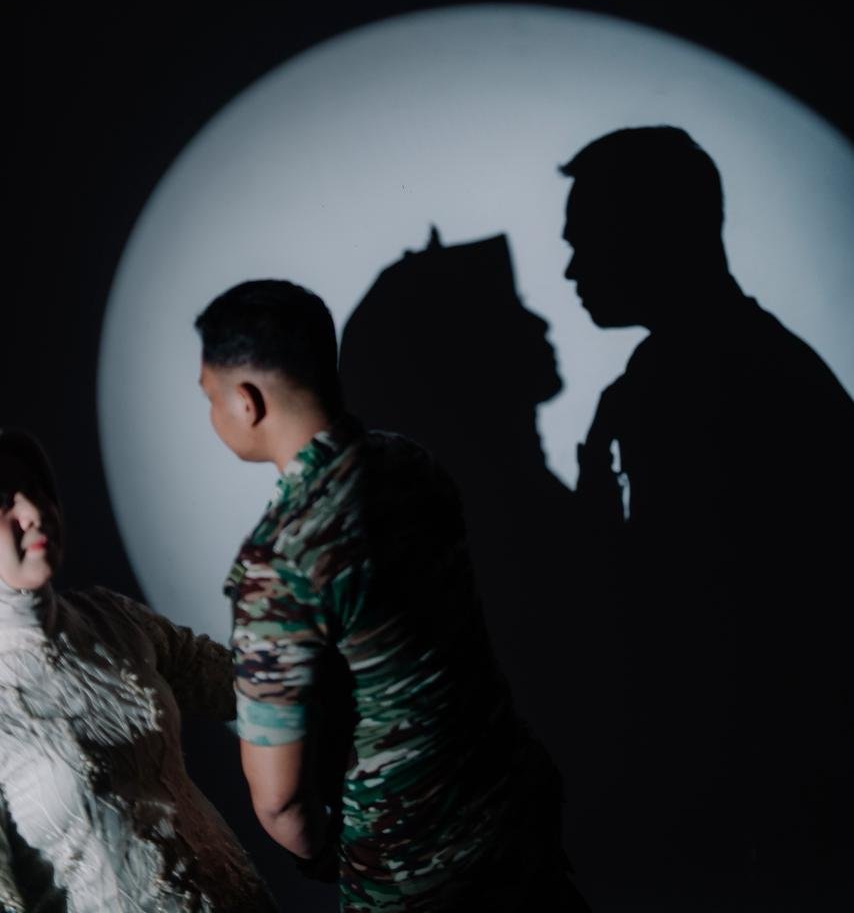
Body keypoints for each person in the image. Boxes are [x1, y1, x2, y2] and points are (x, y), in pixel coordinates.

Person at [195, 279, 590, 912]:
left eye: (209, 396)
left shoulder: (280, 564)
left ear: (246, 402)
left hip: (415, 870)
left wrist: (323, 855)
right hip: (512, 805)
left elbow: (279, 800)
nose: (212, 413)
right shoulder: (411, 464)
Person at [560, 125, 854, 901]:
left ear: (650, 232)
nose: (571, 269)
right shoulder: (735, 359)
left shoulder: (691, 378)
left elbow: (689, 608)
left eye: (585, 241)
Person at [0, 427, 276, 913]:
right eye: (4, 502)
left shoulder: (111, 619)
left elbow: (243, 685)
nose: (34, 512)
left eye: (38, 490)